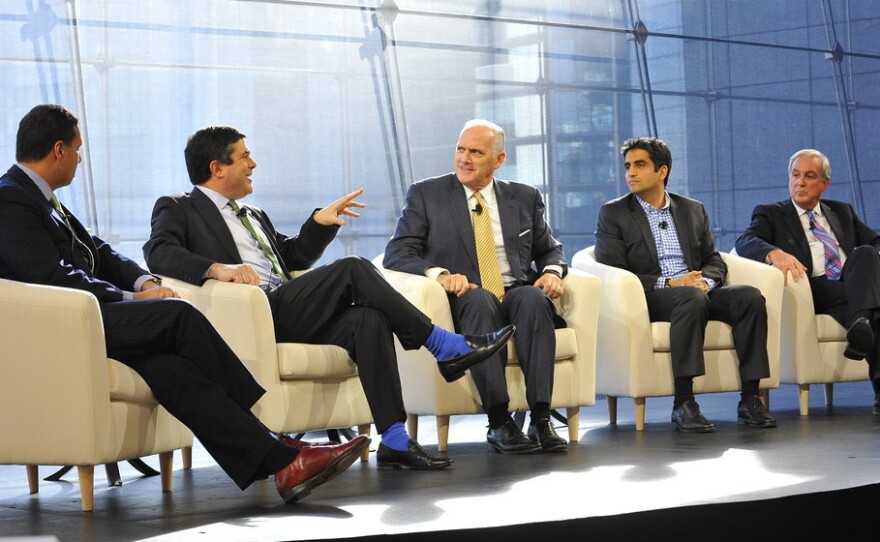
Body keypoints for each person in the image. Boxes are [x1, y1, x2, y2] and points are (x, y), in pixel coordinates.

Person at [0, 104, 372, 504]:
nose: (79, 157)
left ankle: (284, 464)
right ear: (58, 150)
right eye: (77, 149)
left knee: (170, 370)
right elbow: (48, 277)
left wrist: (145, 279)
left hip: (89, 318)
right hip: (62, 326)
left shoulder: (43, 200)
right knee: (177, 315)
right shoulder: (11, 200)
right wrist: (132, 297)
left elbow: (102, 254)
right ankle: (263, 417)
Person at [143, 126, 515, 470]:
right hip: (249, 314)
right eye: (244, 156)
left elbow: (292, 259)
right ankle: (441, 344)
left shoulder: (253, 213)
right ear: (217, 167)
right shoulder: (178, 206)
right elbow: (159, 252)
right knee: (352, 268)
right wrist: (216, 268)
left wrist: (319, 224)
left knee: (368, 320)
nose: (253, 163)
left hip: (283, 306)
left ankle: (395, 440)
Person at [383, 119, 568, 454]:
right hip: (465, 295)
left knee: (533, 299)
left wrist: (553, 272)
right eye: (460, 149)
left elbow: (549, 248)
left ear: (498, 160)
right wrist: (438, 274)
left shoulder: (524, 197)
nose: (464, 159)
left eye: (476, 152)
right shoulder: (427, 194)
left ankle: (542, 416)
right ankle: (499, 420)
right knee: (481, 300)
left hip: (513, 291)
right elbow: (398, 253)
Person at [594, 136, 776, 432]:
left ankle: (750, 398)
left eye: (640, 165)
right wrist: (671, 282)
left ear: (662, 171)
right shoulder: (614, 213)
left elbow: (714, 260)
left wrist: (704, 280)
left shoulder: (692, 209)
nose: (631, 173)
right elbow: (613, 272)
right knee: (690, 298)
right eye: (628, 166)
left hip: (695, 291)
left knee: (749, 297)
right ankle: (684, 401)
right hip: (650, 296)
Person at [735, 148, 880, 413]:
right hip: (813, 286)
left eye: (809, 176)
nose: (800, 182)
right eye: (795, 175)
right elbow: (745, 241)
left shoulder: (842, 211)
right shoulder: (771, 213)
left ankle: (861, 322)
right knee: (876, 309)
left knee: (867, 253)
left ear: (825, 183)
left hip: (850, 284)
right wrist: (774, 253)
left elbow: (874, 241)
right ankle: (864, 323)